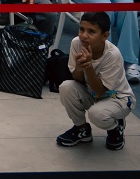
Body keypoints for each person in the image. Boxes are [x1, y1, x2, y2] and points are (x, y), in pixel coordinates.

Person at [55, 11, 134, 151]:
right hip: (93, 94)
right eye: (81, 29)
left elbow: (100, 90)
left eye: (91, 31)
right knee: (66, 87)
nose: (84, 35)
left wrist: (88, 66)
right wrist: (80, 68)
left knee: (96, 114)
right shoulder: (76, 43)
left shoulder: (113, 55)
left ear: (105, 35)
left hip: (118, 99)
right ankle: (82, 130)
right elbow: (78, 79)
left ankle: (116, 127)